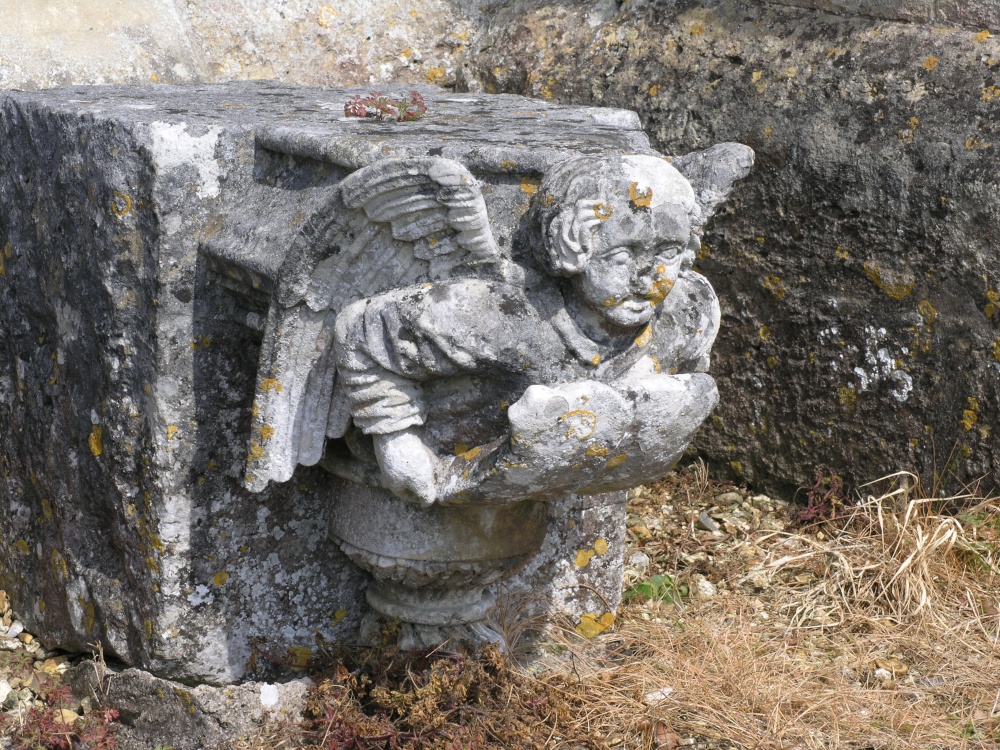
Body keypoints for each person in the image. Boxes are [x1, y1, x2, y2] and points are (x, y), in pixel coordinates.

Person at [332, 154, 721, 505]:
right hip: (440, 470)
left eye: (667, 253)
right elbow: (360, 329)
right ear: (572, 247)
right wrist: (396, 442)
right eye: (621, 255)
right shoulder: (504, 316)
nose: (647, 279)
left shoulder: (688, 311)